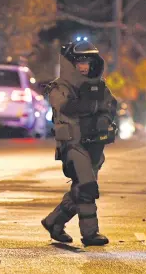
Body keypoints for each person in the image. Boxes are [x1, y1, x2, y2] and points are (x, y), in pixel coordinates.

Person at [41, 39, 118, 246]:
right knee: (86, 188)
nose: (84, 66)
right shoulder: (59, 86)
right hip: (73, 146)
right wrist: (92, 104)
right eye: (80, 61)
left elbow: (110, 106)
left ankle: (53, 222)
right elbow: (67, 106)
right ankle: (90, 234)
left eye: (88, 62)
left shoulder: (99, 86)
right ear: (71, 63)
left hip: (94, 146)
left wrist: (107, 122)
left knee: (79, 189)